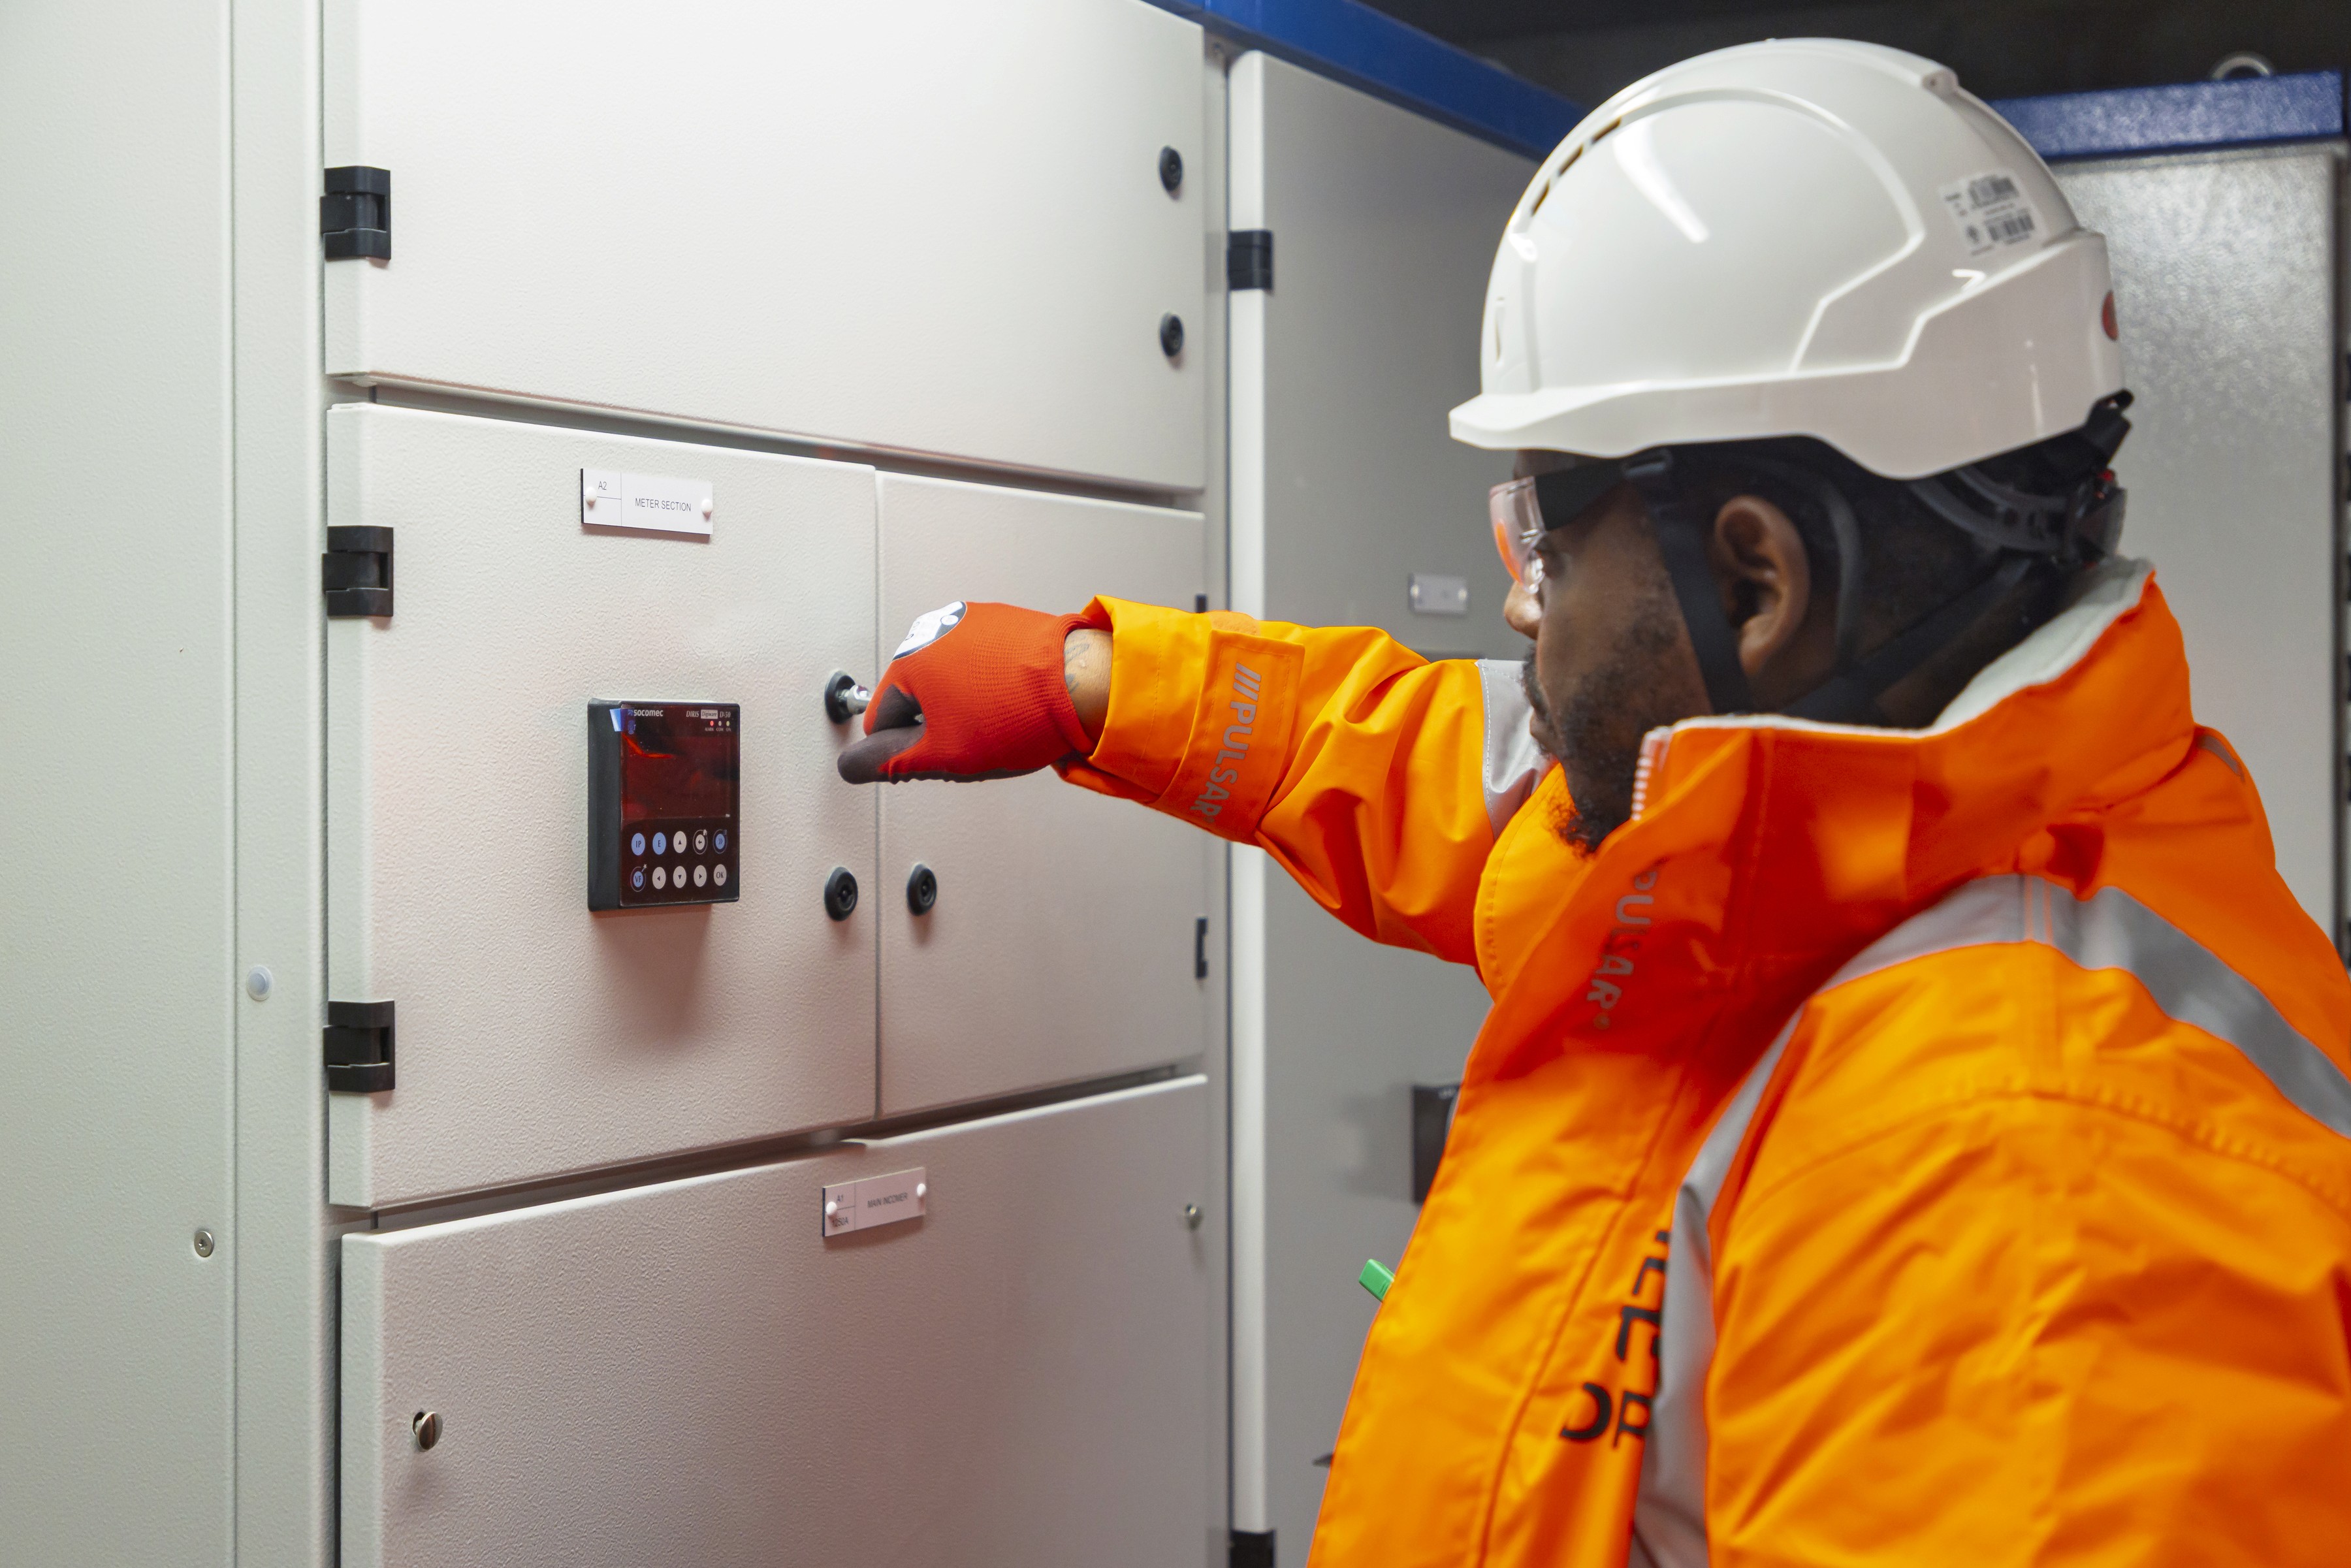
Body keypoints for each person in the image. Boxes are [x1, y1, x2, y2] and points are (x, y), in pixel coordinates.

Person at [840, 39, 2351, 1567]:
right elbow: (1496, 773)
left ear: (1756, 578)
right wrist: (1101, 684)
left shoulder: (2025, 1212)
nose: (1518, 611)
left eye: (1546, 544)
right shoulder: (1896, 810)